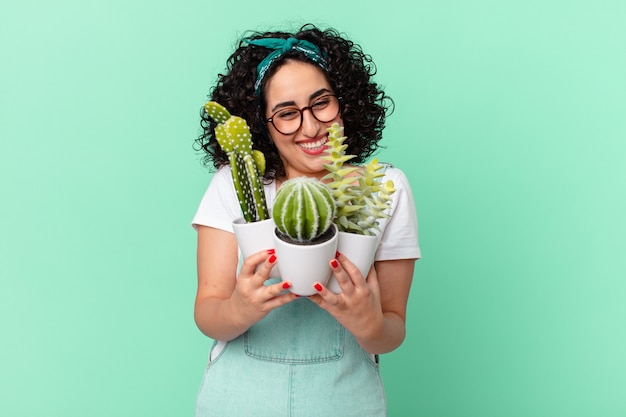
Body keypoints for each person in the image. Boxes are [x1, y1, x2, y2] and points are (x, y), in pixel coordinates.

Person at [191, 24, 420, 416]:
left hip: (344, 398)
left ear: (345, 102)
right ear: (260, 123)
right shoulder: (234, 184)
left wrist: (368, 323)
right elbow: (208, 312)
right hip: (239, 397)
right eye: (286, 113)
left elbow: (392, 329)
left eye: (322, 103)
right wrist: (240, 309)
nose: (311, 126)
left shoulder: (384, 188)